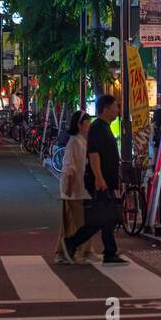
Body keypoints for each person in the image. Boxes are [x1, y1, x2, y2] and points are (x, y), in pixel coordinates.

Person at [61, 94, 125, 265]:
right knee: (100, 218)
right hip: (100, 181)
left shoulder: (104, 127)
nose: (118, 110)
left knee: (106, 217)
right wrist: (99, 177)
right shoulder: (98, 128)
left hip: (106, 180)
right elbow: (94, 154)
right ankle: (72, 242)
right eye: (115, 107)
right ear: (106, 109)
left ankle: (109, 252)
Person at [55, 111, 94, 264]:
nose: (89, 125)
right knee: (79, 222)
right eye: (87, 122)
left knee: (73, 222)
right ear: (80, 124)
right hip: (74, 189)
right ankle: (76, 251)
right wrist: (68, 189)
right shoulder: (74, 142)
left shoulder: (82, 140)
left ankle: (72, 252)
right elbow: (69, 167)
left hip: (80, 188)